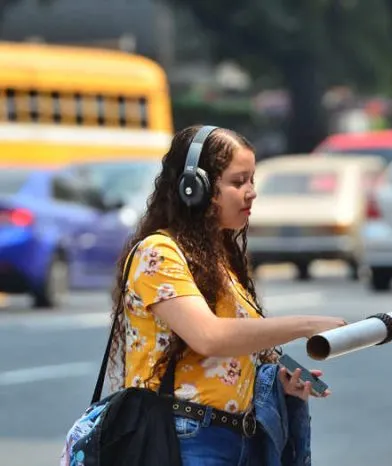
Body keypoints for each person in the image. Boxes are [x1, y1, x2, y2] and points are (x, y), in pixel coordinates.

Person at [106, 125, 346, 465]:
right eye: (238, 182)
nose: (251, 193)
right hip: (185, 437)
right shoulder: (158, 253)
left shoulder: (219, 258)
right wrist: (306, 324)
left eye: (252, 180)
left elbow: (226, 356)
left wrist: (280, 381)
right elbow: (209, 336)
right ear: (195, 188)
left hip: (237, 438)